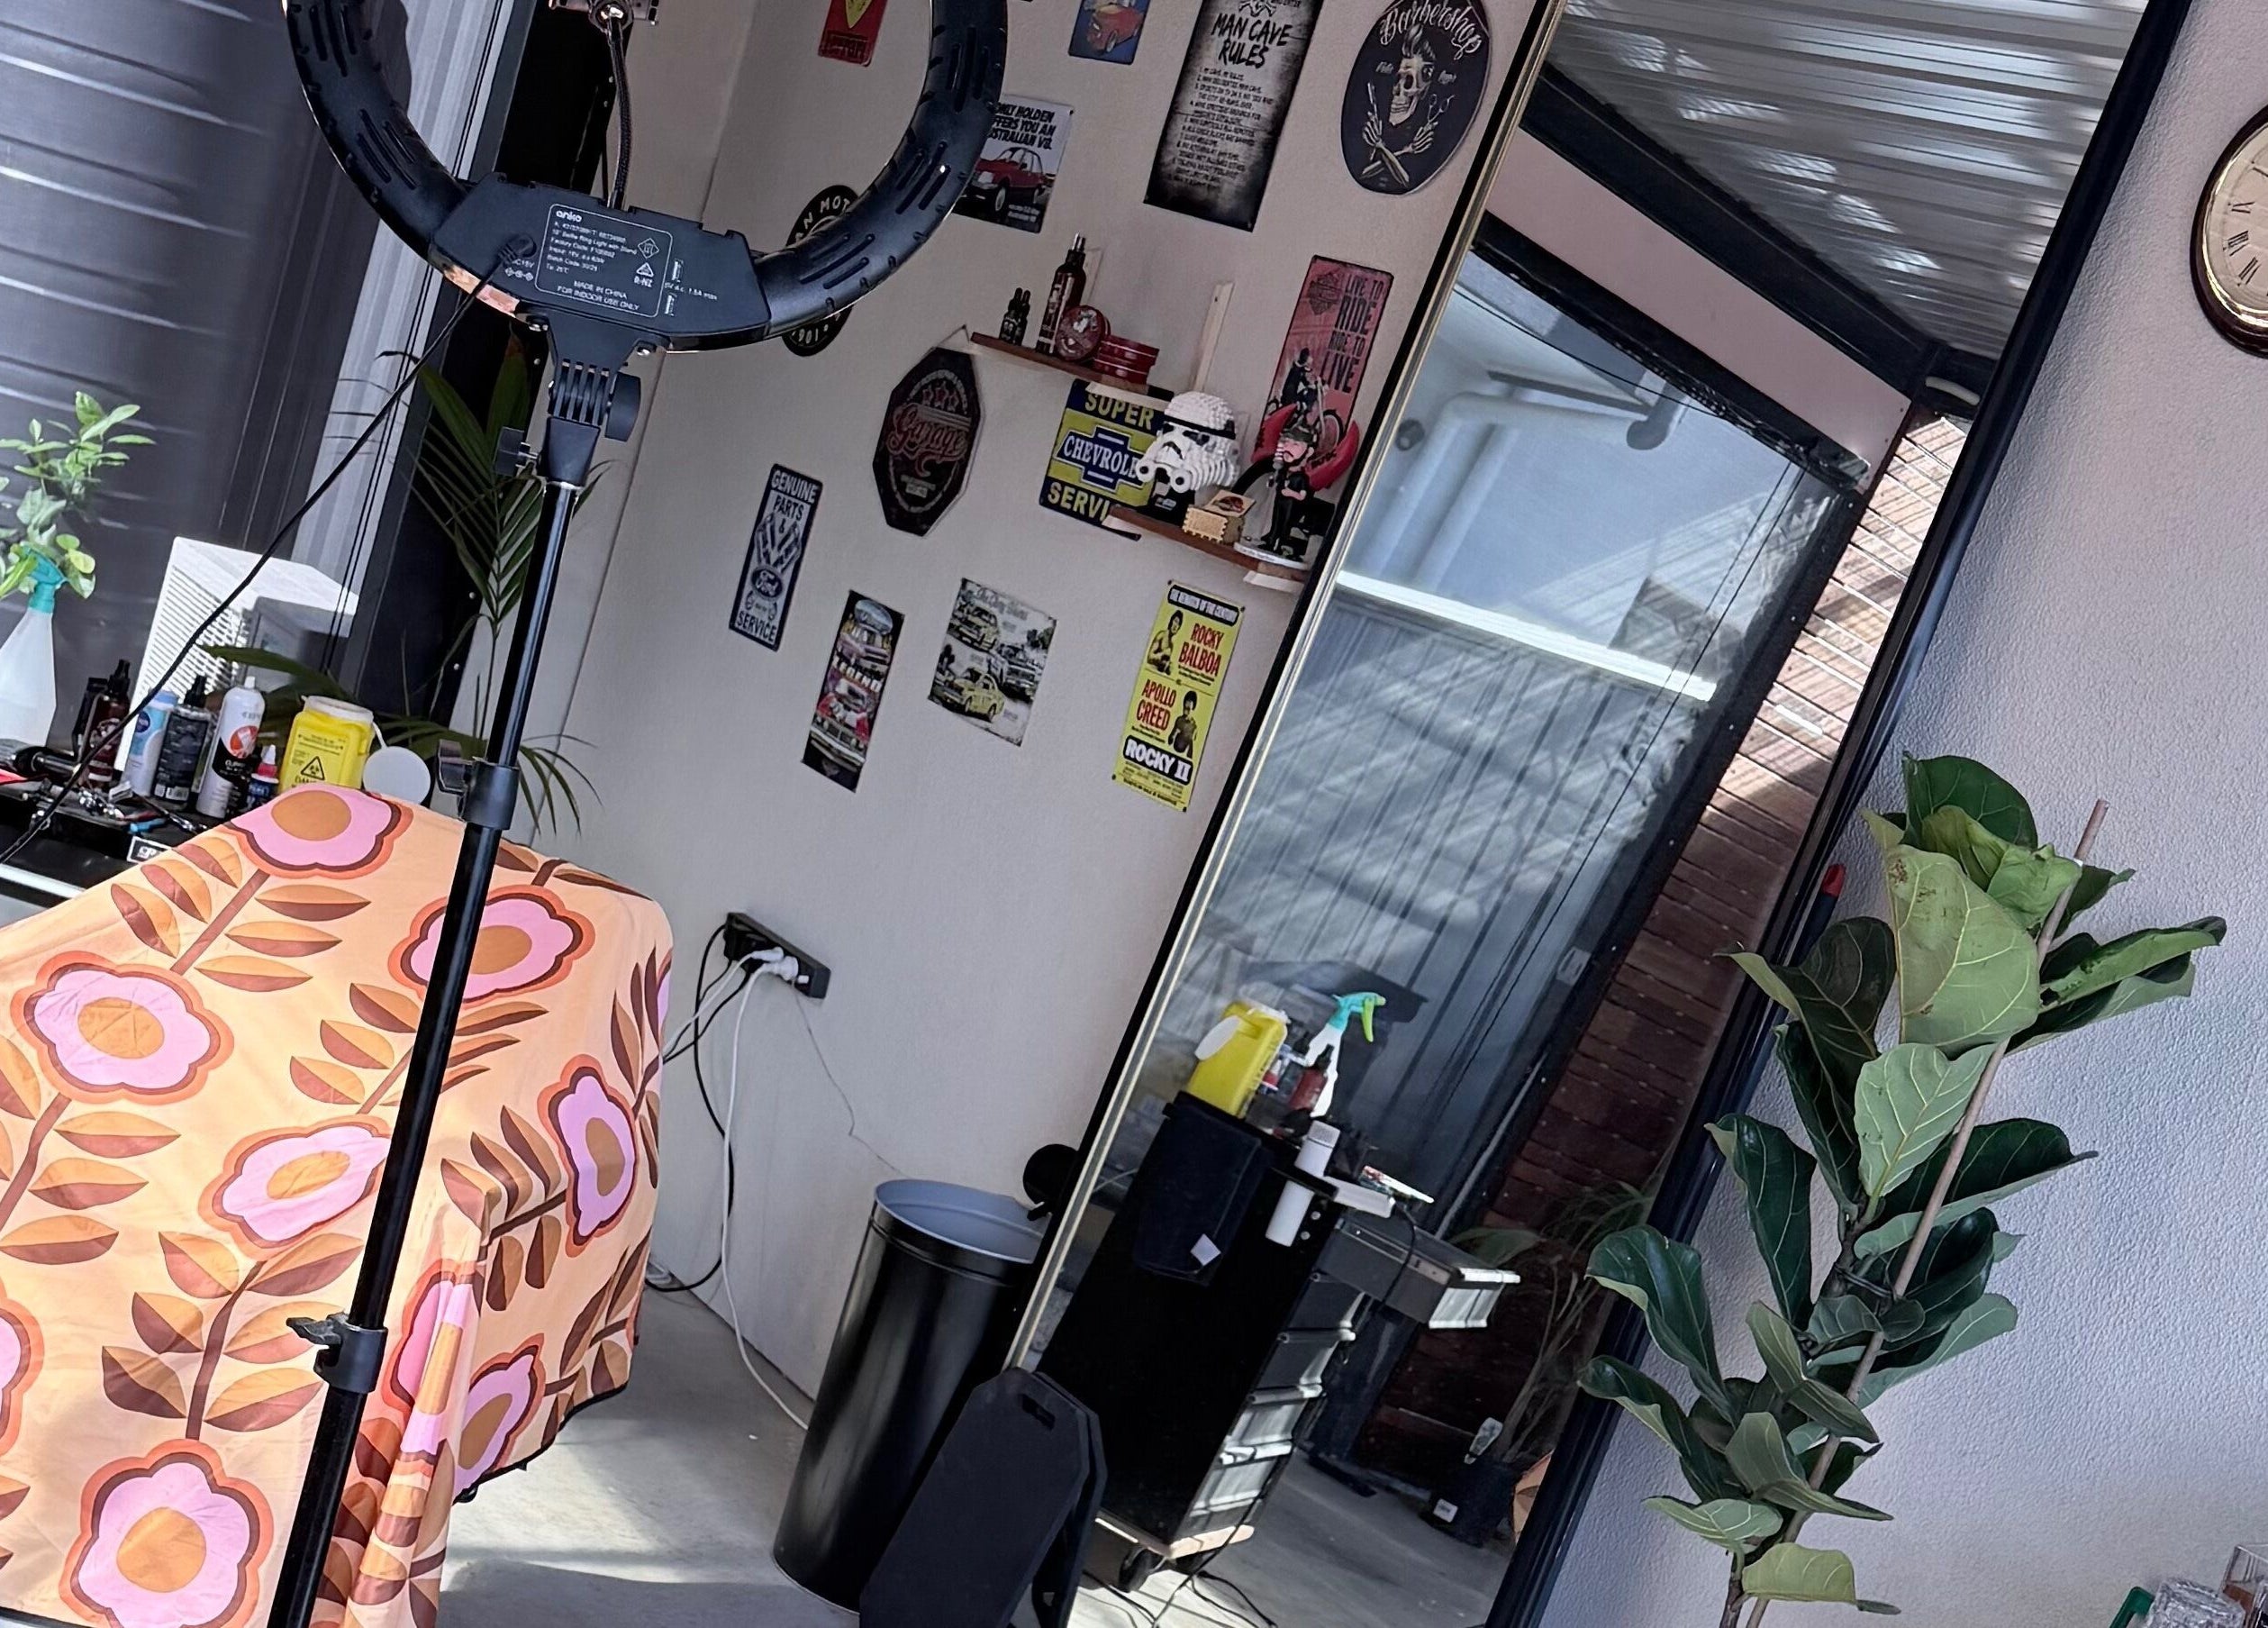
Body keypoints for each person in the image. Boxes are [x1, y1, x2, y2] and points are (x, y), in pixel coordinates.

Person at [1148, 610, 1183, 674]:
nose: (1176, 626)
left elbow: (1164, 665)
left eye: (1178, 624)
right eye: (1175, 621)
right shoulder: (1161, 635)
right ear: (1171, 621)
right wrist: (1162, 654)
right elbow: (1149, 657)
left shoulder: (1171, 645)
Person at [1168, 689, 1200, 756]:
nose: (1185, 711)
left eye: (1188, 709)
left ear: (1193, 709)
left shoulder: (1194, 726)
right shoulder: (1179, 720)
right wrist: (1174, 734)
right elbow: (1169, 741)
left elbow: (1191, 748)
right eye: (1185, 708)